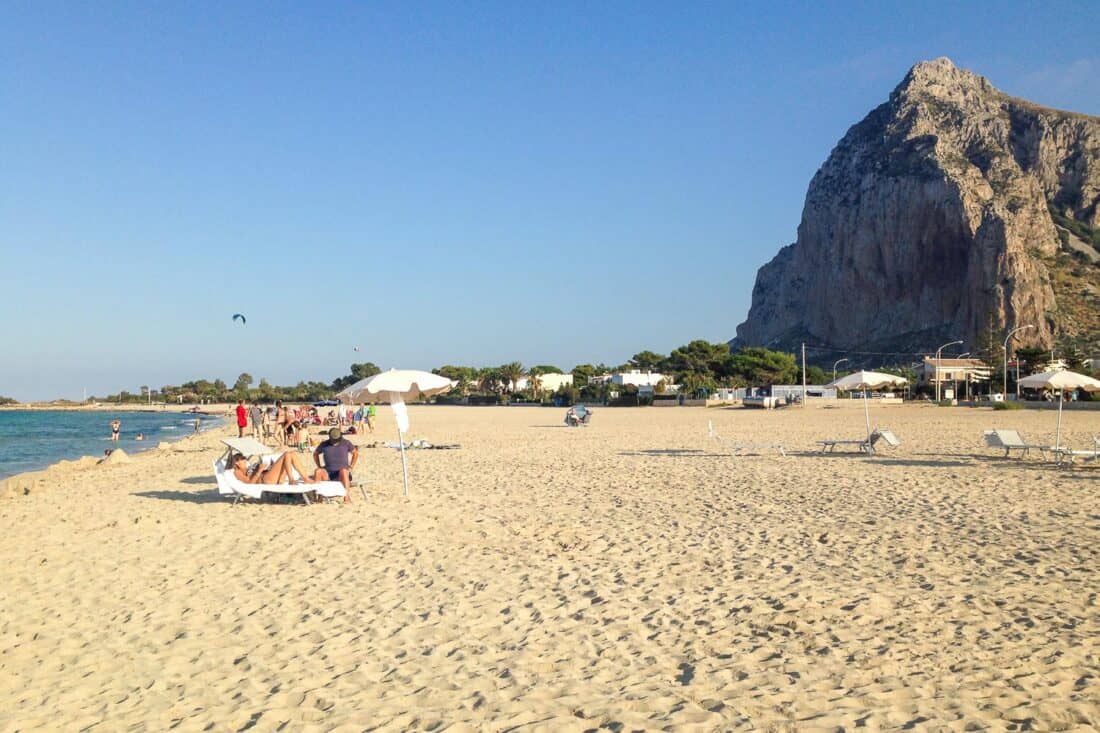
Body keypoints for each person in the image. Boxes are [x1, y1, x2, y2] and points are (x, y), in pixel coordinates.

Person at [313, 427, 359, 503]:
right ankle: (319, 497)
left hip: (341, 474)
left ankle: (346, 497)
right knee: (318, 471)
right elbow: (315, 454)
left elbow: (355, 453)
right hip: (328, 473)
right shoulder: (324, 444)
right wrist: (319, 466)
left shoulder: (346, 443)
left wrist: (351, 466)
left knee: (344, 471)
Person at [231, 451, 317, 486]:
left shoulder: (246, 467)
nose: (245, 460)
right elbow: (249, 483)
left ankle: (305, 478)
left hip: (268, 474)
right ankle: (291, 479)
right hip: (265, 479)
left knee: (292, 454)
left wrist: (260, 467)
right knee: (287, 454)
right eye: (242, 459)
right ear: (236, 463)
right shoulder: (237, 472)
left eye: (244, 458)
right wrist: (259, 470)